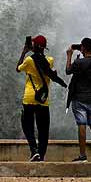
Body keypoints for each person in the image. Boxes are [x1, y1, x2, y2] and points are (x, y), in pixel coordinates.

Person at [16, 34, 66, 162]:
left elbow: (18, 68)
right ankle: (41, 155)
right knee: (43, 129)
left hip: (29, 97)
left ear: (34, 46)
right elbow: (49, 72)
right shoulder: (50, 60)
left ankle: (34, 150)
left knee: (28, 125)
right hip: (43, 99)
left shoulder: (29, 60)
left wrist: (24, 52)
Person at [66, 37, 91, 162]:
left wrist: (69, 55)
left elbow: (68, 71)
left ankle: (82, 156)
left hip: (80, 99)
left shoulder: (79, 63)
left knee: (82, 125)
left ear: (82, 48)